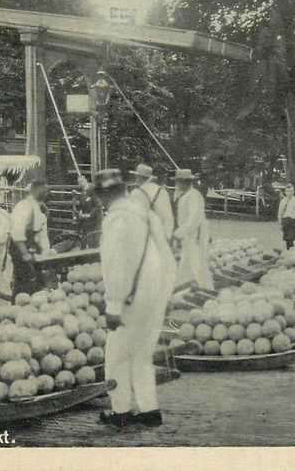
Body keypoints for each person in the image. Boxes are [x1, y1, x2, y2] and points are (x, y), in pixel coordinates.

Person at [96, 169, 176, 428]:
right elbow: (166, 254)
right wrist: (165, 292)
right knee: (142, 354)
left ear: (103, 195)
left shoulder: (116, 219)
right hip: (155, 291)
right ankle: (150, 409)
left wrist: (114, 304)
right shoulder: (145, 213)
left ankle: (120, 411)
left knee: (117, 354)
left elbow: (116, 264)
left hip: (130, 296)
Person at [173, 169, 214, 289]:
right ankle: (185, 289)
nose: (176, 185)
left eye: (178, 182)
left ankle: (207, 291)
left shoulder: (194, 196)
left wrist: (178, 234)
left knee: (198, 265)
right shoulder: (185, 195)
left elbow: (194, 220)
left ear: (184, 182)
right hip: (189, 236)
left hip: (196, 236)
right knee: (187, 264)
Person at [9, 178, 50, 295]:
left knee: (37, 283)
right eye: (43, 190)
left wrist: (43, 251)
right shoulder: (24, 206)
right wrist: (24, 253)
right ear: (34, 190)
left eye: (46, 190)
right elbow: (17, 232)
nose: (46, 193)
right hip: (21, 250)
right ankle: (16, 308)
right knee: (23, 284)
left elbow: (37, 233)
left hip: (31, 249)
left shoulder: (36, 207)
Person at [129, 164, 174, 242]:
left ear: (139, 177)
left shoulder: (136, 193)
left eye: (136, 177)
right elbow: (168, 217)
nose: (136, 179)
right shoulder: (161, 191)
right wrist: (167, 237)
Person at [277, 183, 295, 249]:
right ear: (285, 192)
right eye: (288, 191)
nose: (289, 193)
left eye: (291, 191)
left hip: (293, 221)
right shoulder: (283, 201)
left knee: (291, 238)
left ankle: (291, 250)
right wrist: (280, 223)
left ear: (293, 192)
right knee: (287, 239)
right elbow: (280, 213)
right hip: (285, 221)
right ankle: (289, 251)